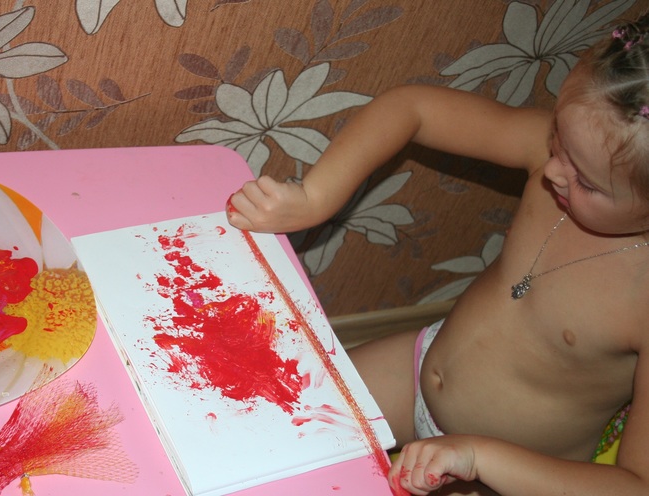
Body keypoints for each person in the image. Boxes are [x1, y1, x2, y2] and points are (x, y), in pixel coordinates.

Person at [226, 15, 649, 496]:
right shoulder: (560, 157)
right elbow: (414, 107)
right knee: (268, 420)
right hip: (418, 371)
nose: (552, 171)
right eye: (557, 141)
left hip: (511, 470)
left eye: (586, 182)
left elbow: (636, 486)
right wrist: (314, 197)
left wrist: (479, 458)